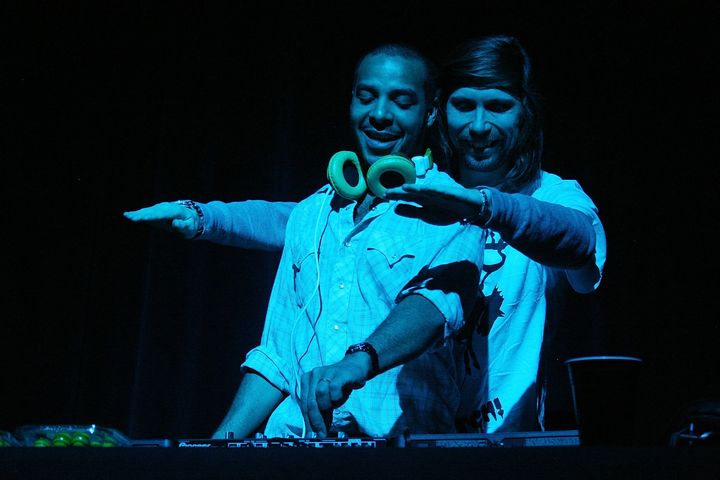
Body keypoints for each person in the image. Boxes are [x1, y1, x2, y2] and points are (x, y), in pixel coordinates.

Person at [126, 34, 607, 435]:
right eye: (465, 105)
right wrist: (204, 216)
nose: (478, 125)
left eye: (498, 106)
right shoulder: (407, 193)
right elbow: (302, 225)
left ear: (525, 112)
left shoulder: (545, 197)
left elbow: (578, 240)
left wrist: (479, 205)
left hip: (492, 438)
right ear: (443, 111)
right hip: (375, 438)